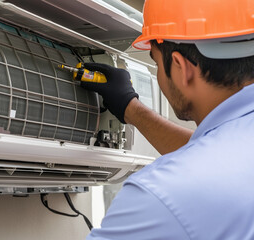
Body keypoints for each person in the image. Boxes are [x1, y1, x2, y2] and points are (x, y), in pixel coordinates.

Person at [84, 0, 254, 239]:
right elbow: (220, 154)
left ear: (180, 67)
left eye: (155, 63)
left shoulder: (160, 195)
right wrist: (130, 107)